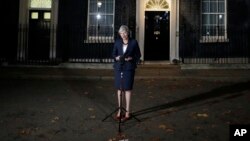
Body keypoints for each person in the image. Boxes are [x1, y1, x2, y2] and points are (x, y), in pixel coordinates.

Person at [112, 25, 141, 121]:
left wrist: (131, 58)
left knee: (127, 89)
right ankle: (120, 111)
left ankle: (128, 112)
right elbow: (113, 54)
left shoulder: (133, 42)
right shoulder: (117, 42)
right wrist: (116, 58)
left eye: (124, 32)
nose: (123, 35)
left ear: (128, 32)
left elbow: (138, 55)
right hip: (119, 68)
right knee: (120, 89)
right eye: (121, 33)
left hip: (129, 68)